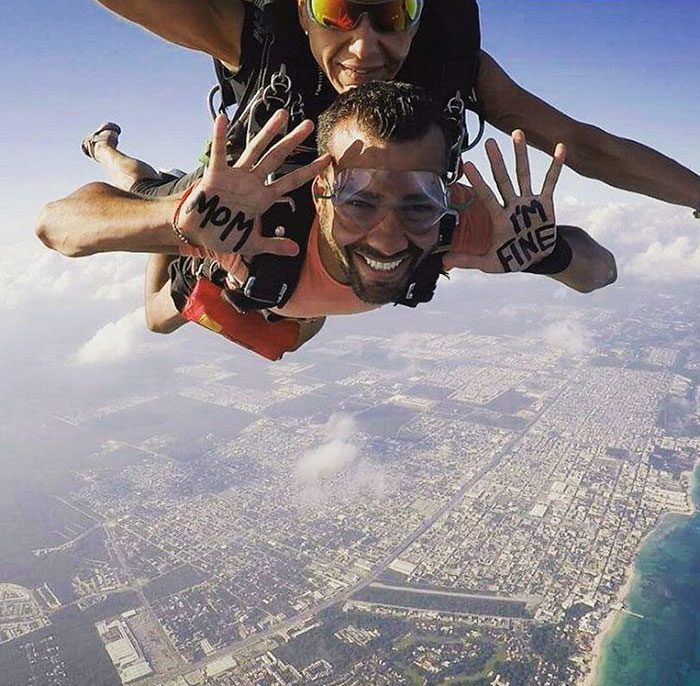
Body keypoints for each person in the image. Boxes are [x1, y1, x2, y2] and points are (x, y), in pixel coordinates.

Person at [37, 82, 616, 359]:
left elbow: (600, 272)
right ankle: (104, 147)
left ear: (442, 196)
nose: (389, 235)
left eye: (417, 202)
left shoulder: (449, 222)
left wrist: (547, 254)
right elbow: (56, 224)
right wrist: (177, 224)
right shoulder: (246, 221)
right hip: (218, 248)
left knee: (295, 331)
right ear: (319, 192)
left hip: (292, 299)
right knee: (155, 311)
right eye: (360, 201)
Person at [93, 0, 700, 215]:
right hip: (238, 191)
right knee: (149, 198)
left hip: (357, 219)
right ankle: (106, 150)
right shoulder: (254, 38)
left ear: (419, 16)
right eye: (337, 12)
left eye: (391, 14)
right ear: (302, 12)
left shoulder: (455, 67)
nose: (365, 47)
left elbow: (587, 147)